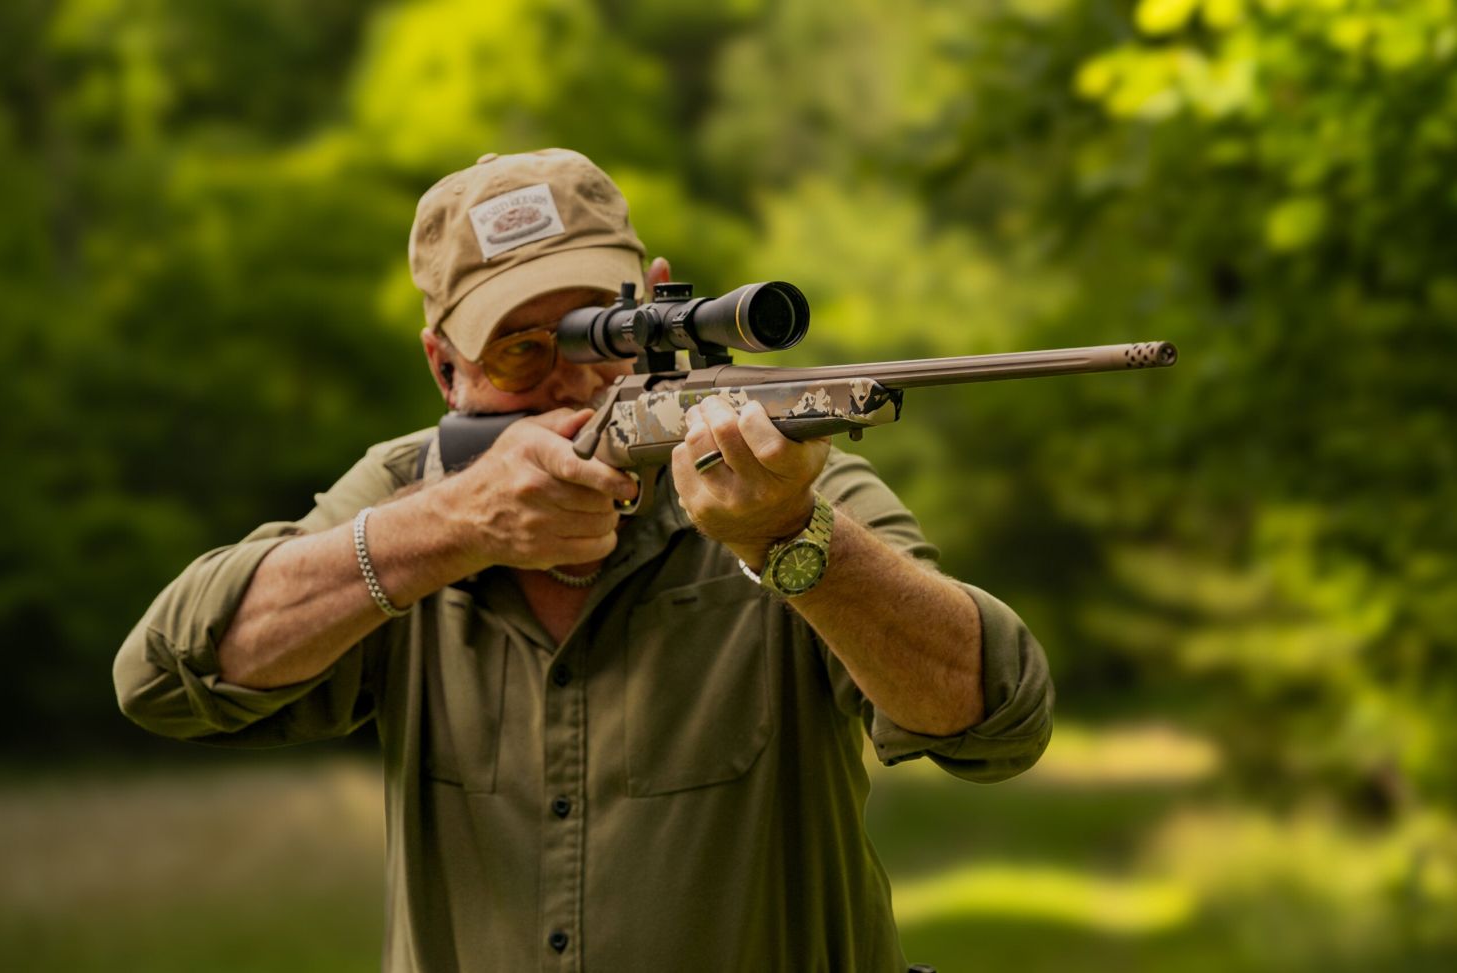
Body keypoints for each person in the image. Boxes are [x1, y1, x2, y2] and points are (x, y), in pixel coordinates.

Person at [114, 148, 1053, 971]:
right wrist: (452, 530)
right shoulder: (416, 487)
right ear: (445, 368)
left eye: (601, 328)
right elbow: (164, 676)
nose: (573, 377)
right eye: (522, 351)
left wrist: (789, 540)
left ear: (657, 296)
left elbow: (992, 716)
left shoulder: (778, 481)